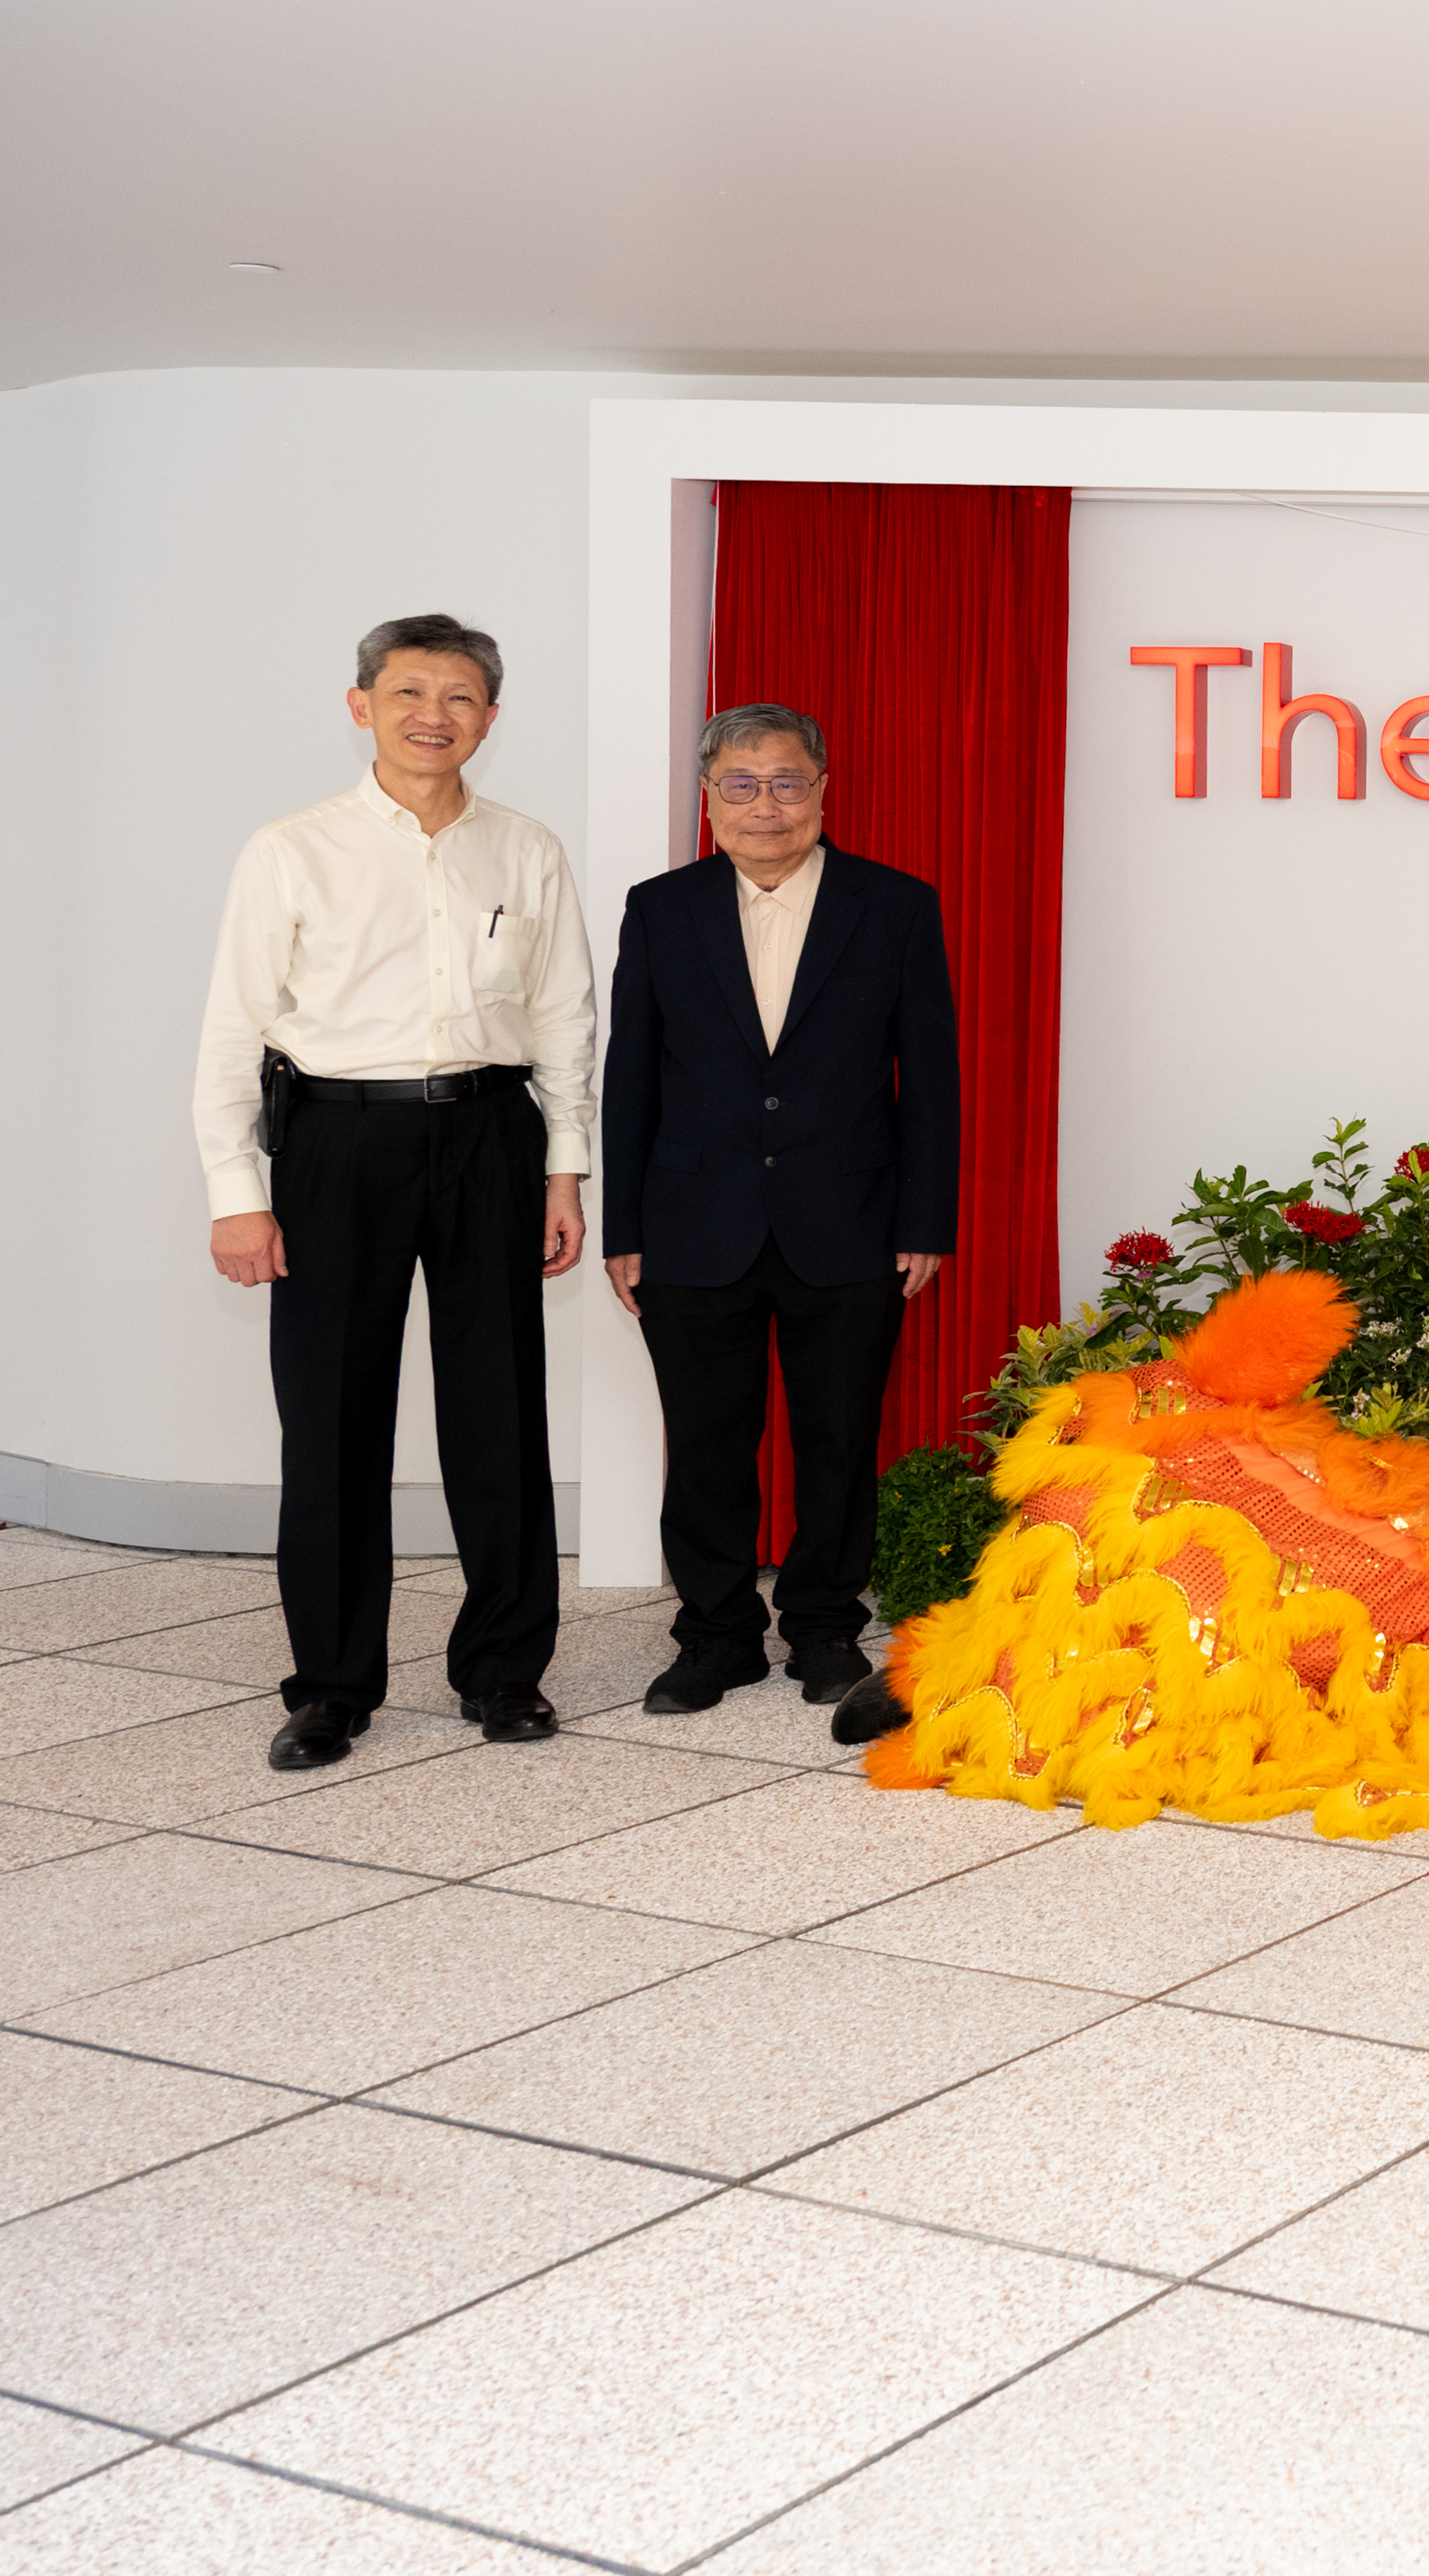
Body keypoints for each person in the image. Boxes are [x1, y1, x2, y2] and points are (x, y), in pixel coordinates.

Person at [196, 615, 593, 1770]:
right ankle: (329, 1684)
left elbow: (566, 1018)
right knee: (329, 1421)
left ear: (491, 718)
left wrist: (563, 1167)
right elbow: (232, 1026)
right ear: (361, 703)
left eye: (461, 696)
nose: (436, 714)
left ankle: (505, 1669)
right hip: (332, 1145)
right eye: (411, 690)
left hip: (489, 1139)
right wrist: (238, 1190)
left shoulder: (526, 850)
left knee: (498, 1412)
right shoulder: (291, 850)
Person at [602, 704, 958, 1715]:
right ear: (709, 798)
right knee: (706, 1442)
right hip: (688, 1223)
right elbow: (631, 1075)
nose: (766, 805)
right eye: (741, 784)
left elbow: (930, 1078)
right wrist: (623, 1226)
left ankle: (823, 1628)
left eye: (787, 781)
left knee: (837, 1441)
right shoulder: (660, 908)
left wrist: (924, 1222)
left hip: (849, 1223)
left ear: (823, 788)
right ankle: (715, 1636)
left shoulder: (892, 906)